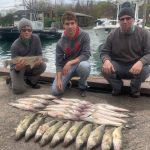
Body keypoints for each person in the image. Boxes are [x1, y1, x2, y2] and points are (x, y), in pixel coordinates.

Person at [100, 1, 150, 98]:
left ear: (133, 19)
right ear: (119, 21)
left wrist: (141, 62)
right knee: (104, 68)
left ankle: (134, 89)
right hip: (118, 67)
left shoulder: (144, 34)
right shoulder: (112, 35)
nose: (125, 21)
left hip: (135, 67)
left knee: (145, 69)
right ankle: (118, 87)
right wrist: (106, 60)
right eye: (122, 19)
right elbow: (104, 52)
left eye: (128, 18)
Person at [51, 11, 91, 97]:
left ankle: (82, 86)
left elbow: (86, 54)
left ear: (76, 24)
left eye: (72, 23)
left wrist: (70, 62)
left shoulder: (85, 35)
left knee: (85, 66)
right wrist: (58, 80)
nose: (70, 26)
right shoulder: (60, 43)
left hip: (80, 64)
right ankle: (67, 82)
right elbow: (58, 63)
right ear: (63, 26)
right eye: (67, 24)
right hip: (67, 69)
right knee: (56, 91)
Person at [10, 18, 46, 94]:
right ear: (20, 31)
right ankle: (12, 82)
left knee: (43, 65)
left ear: (31, 31)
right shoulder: (14, 46)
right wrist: (17, 67)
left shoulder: (36, 38)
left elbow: (39, 54)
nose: (27, 32)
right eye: (24, 30)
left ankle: (31, 81)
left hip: (29, 64)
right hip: (18, 68)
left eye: (29, 30)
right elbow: (14, 67)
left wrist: (39, 60)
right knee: (19, 90)